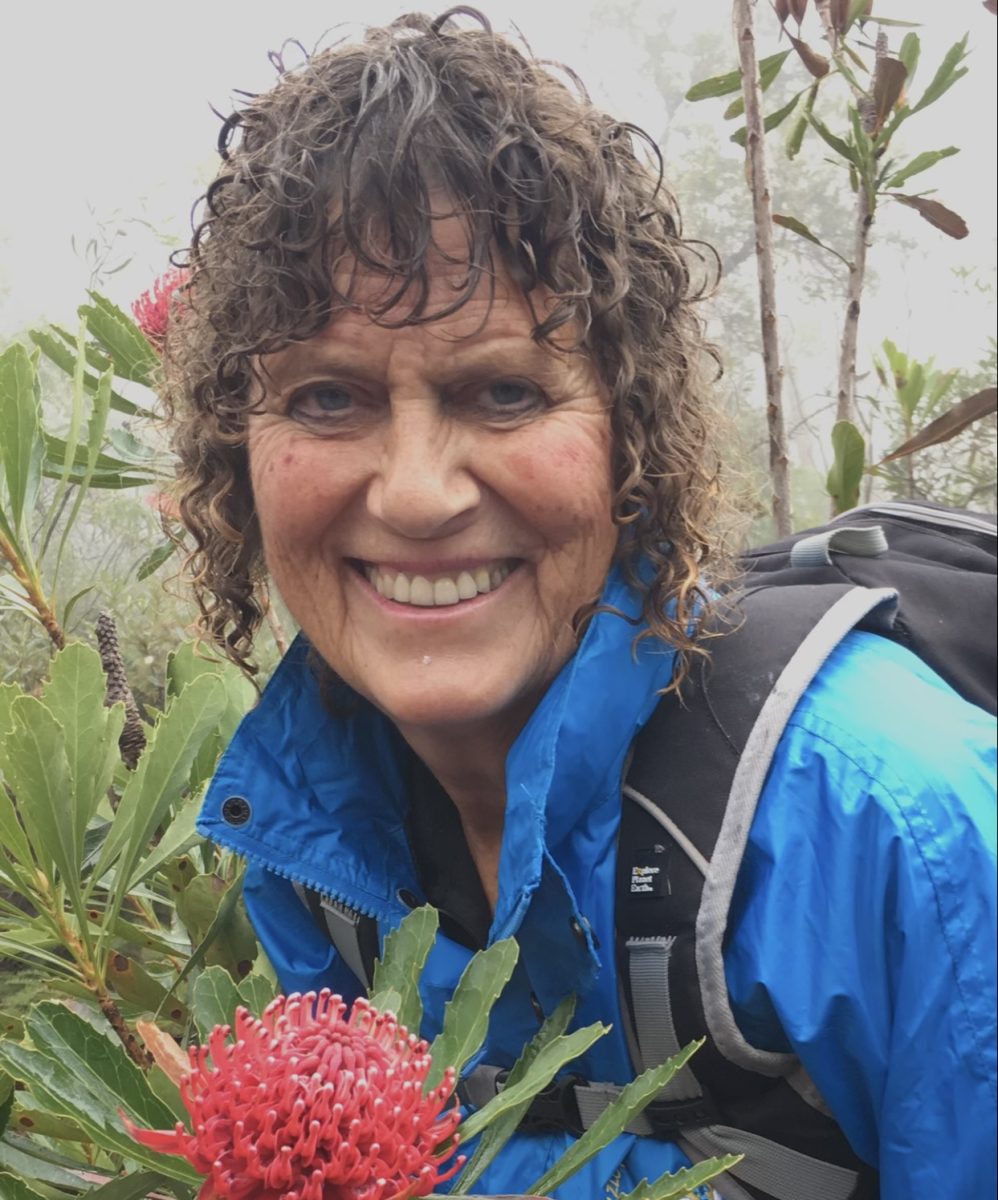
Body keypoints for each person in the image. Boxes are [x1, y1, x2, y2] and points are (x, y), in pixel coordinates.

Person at [164, 9, 997, 1198]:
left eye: (502, 391)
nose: (411, 493)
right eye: (326, 398)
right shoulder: (306, 834)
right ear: (234, 456)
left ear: (630, 439)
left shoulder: (893, 823)